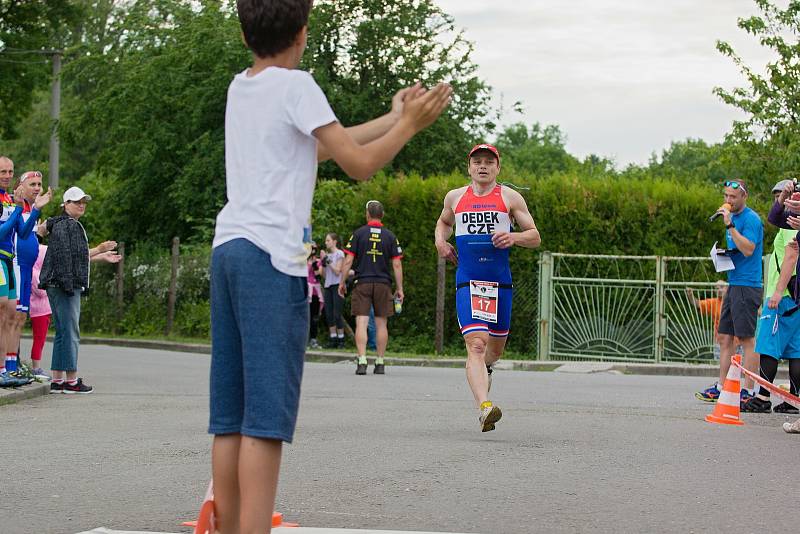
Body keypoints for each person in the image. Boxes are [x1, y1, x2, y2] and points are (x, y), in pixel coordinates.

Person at [209, 1, 451, 532]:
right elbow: (358, 164)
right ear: (302, 31)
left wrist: (392, 116)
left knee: (229, 417)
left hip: (229, 249)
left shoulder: (241, 87)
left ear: (246, 32)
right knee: (265, 421)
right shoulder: (297, 85)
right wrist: (408, 126)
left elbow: (314, 150)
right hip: (272, 259)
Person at [434, 143, 541, 432]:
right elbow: (443, 223)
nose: (483, 166)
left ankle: (487, 370)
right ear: (469, 167)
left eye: (488, 162)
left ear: (497, 167)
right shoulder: (455, 197)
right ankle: (485, 407)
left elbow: (534, 236)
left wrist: (514, 238)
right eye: (477, 161)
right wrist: (440, 242)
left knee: (493, 351)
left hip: (499, 283)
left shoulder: (509, 197)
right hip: (469, 280)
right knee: (476, 344)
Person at [38, 186, 121, 394]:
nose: (81, 205)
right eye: (76, 202)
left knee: (62, 332)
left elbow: (75, 255)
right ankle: (71, 381)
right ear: (65, 205)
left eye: (83, 201)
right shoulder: (68, 226)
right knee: (71, 332)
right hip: (65, 285)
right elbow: (70, 255)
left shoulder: (62, 224)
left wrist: (99, 256)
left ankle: (57, 380)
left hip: (56, 284)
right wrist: (100, 249)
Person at [695, 179, 763, 405]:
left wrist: (730, 226)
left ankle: (749, 389)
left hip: (748, 285)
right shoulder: (731, 218)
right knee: (725, 337)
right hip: (734, 283)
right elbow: (736, 250)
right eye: (726, 196)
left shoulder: (750, 219)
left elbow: (749, 249)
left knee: (746, 339)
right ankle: (722, 386)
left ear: (744, 197)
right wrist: (721, 255)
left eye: (733, 197)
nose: (728, 201)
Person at [338, 200, 404, 375]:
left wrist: (342, 282)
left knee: (362, 321)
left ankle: (362, 360)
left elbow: (348, 260)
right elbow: (397, 265)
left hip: (363, 283)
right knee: (382, 323)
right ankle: (380, 362)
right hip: (383, 284)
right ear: (382, 215)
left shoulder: (358, 234)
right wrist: (400, 288)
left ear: (367, 214)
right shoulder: (390, 236)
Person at [11, 171, 53, 378]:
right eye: (33, 184)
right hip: (16, 266)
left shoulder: (30, 208)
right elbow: (22, 234)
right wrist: (36, 210)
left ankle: (14, 364)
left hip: (26, 269)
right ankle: (9, 365)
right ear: (21, 186)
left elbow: (30, 235)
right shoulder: (16, 205)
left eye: (39, 184)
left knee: (20, 317)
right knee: (13, 317)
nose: (37, 188)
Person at [685, 280, 728, 360]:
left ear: (727, 288)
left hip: (736, 342)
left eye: (721, 287)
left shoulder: (734, 301)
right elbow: (697, 304)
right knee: (719, 366)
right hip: (719, 340)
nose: (719, 290)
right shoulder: (713, 302)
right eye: (717, 288)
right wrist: (690, 296)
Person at [29, 243, 52, 378]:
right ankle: (35, 367)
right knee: (39, 338)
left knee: (41, 339)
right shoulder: (35, 273)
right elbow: (41, 292)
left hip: (44, 309)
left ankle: (37, 366)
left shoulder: (41, 272)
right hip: (38, 310)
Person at [320, 232, 345, 348]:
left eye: (328, 240)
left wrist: (328, 261)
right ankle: (333, 338)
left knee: (337, 314)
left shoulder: (339, 253)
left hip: (337, 285)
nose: (326, 242)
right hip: (328, 285)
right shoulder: (328, 256)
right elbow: (324, 275)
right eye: (326, 241)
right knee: (329, 314)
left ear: (334, 241)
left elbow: (337, 271)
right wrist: (323, 263)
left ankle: (341, 340)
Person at [306, 243, 324, 349]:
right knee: (306, 316)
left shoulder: (318, 262)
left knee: (314, 317)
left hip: (315, 293)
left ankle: (313, 339)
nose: (312, 251)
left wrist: (314, 264)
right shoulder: (303, 262)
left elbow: (318, 274)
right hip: (306, 291)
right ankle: (305, 339)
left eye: (313, 249)